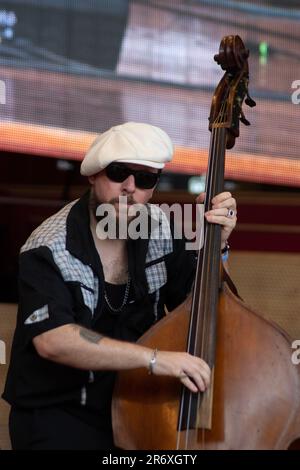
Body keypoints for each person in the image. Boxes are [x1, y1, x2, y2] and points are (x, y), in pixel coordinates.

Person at [3, 122, 237, 450]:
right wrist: (156, 359)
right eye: (118, 173)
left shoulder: (161, 230)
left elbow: (206, 306)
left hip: (134, 405)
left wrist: (217, 246)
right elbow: (53, 341)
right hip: (58, 413)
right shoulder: (49, 246)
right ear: (94, 175)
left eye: (144, 179)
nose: (129, 187)